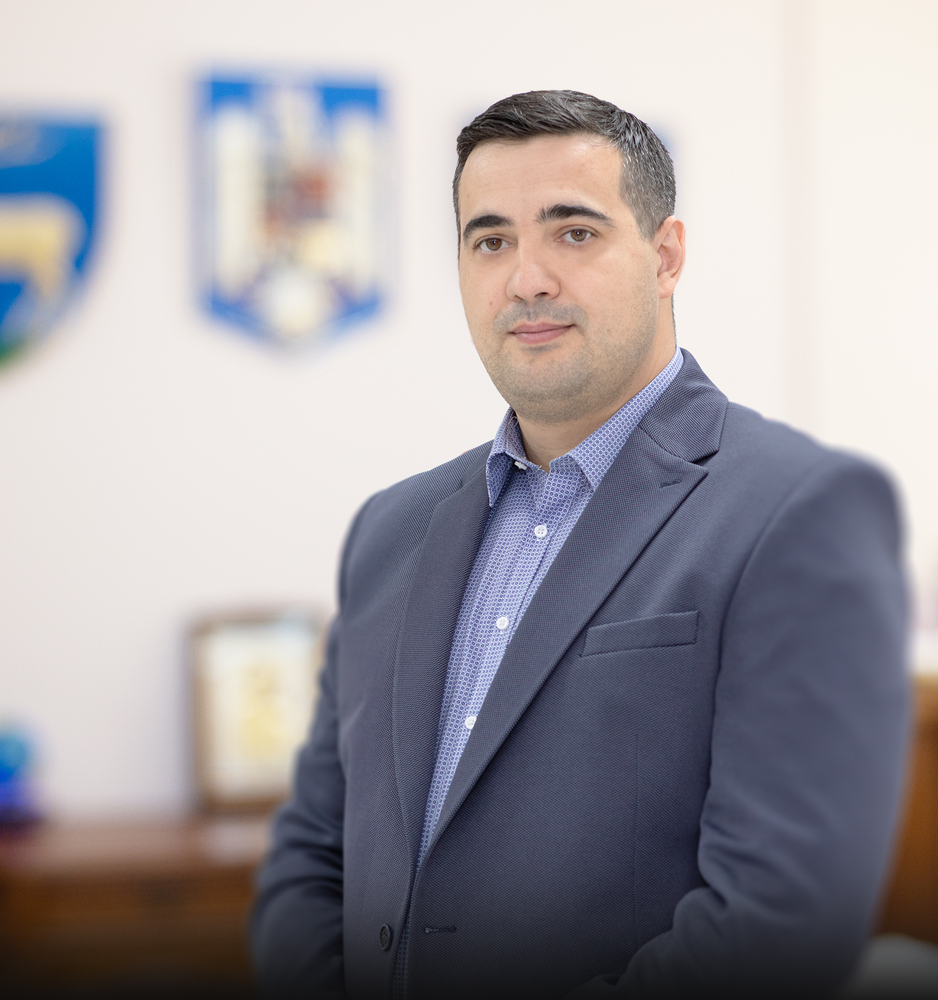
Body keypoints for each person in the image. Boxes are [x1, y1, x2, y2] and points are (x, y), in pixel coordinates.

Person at [250, 90, 910, 999]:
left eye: (573, 232)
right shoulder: (390, 531)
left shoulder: (801, 512)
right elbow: (313, 853)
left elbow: (779, 922)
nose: (527, 279)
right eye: (491, 241)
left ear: (666, 255)